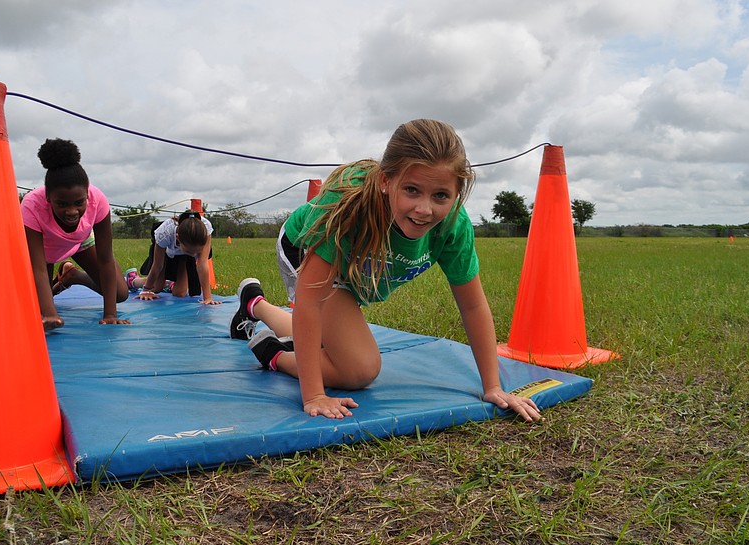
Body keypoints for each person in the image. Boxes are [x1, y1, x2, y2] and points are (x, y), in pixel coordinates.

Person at [230, 119, 541, 423]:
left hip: (348, 268)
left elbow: (472, 306)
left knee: (338, 339)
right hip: (305, 248)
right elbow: (310, 303)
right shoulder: (349, 207)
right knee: (359, 369)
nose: (424, 209)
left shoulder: (453, 228)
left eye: (440, 196)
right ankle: (273, 352)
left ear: (457, 193)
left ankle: (255, 305)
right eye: (411, 190)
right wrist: (313, 395)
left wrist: (493, 387)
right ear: (385, 181)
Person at [21, 138, 130, 331]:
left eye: (79, 203)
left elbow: (106, 259)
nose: (71, 211)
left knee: (120, 294)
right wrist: (49, 314)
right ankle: (48, 303)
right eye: (62, 204)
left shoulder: (98, 200)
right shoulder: (31, 205)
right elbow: (37, 266)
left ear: (87, 195)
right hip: (44, 253)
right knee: (37, 308)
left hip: (79, 242)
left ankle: (73, 276)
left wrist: (110, 314)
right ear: (48, 198)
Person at [126, 211, 221, 305]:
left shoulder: (206, 229)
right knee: (156, 288)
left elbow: (202, 263)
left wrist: (207, 297)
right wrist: (146, 290)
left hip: (184, 256)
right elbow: (158, 265)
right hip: (166, 252)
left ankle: (168, 283)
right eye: (191, 252)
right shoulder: (164, 233)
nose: (194, 255)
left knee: (180, 293)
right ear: (178, 238)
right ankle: (133, 280)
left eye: (197, 252)